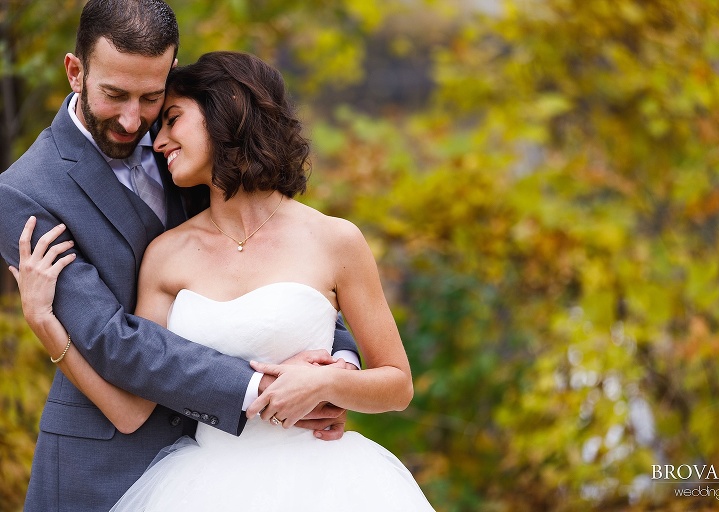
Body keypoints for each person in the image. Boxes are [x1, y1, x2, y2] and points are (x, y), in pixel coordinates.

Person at [13, 51, 434, 510]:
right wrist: (46, 325)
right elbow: (130, 412)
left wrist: (327, 385)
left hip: (328, 484)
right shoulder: (165, 255)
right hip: (201, 488)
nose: (158, 142)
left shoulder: (335, 240)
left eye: (172, 119)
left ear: (223, 111)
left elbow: (397, 385)